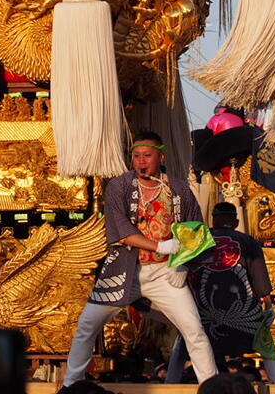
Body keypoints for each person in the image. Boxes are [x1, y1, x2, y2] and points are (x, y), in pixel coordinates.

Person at [59, 132, 217, 390]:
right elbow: (121, 229)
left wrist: (184, 264)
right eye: (136, 156)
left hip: (165, 273)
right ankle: (71, 385)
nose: (141, 161)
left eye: (147, 155)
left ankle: (212, 387)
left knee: (194, 330)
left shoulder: (178, 189)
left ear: (161, 157)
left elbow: (197, 231)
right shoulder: (120, 186)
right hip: (123, 270)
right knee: (87, 325)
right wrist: (159, 245)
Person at [166, 203, 275, 385]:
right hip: (244, 314)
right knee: (266, 345)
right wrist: (268, 307)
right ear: (236, 222)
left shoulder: (199, 240)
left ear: (213, 220)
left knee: (183, 344)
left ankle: (169, 385)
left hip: (204, 311)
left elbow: (182, 272)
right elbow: (262, 286)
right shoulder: (248, 241)